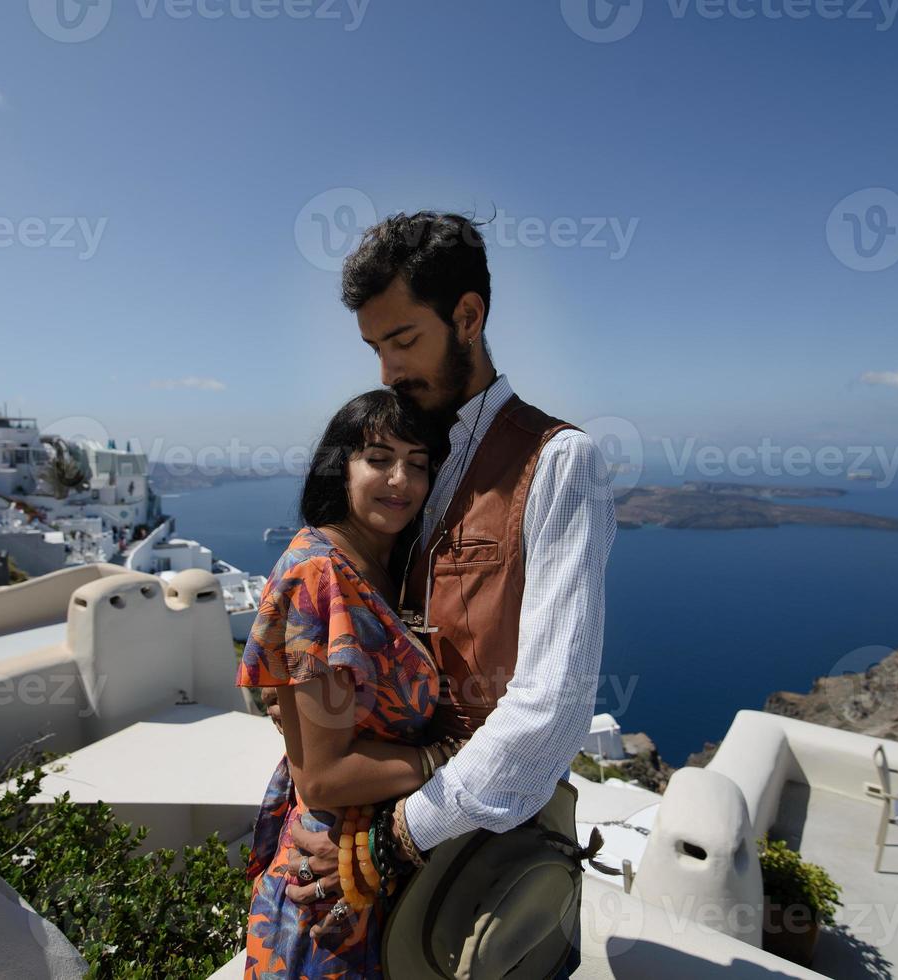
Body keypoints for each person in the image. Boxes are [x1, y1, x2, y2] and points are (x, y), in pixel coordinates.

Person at [283, 211, 618, 977]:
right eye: (375, 348)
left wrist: (401, 834)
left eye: (404, 341)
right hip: (383, 823)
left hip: (476, 841)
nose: (388, 372)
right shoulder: (413, 464)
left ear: (468, 317)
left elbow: (553, 703)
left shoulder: (558, 461)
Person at [236, 388, 457, 978]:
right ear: (342, 465)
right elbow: (326, 776)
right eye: (379, 458)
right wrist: (447, 759)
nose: (400, 480)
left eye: (417, 462)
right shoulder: (321, 578)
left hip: (368, 862)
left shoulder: (385, 564)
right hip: (327, 897)